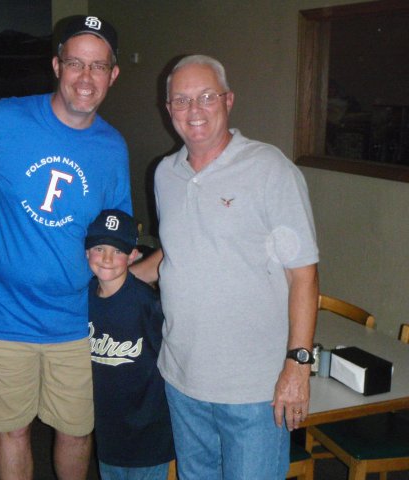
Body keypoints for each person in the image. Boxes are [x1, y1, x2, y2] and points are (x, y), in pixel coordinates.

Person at [132, 55, 319, 479]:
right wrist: (117, 278)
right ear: (168, 109)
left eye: (206, 97)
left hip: (253, 389)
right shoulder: (164, 174)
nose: (193, 110)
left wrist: (297, 365)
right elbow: (176, 250)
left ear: (228, 100)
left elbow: (303, 274)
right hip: (182, 379)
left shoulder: (269, 169)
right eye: (181, 100)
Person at [0, 15, 131, 480]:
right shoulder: (1, 119)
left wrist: (117, 256)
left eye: (98, 66)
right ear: (57, 66)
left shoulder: (113, 147)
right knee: (11, 432)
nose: (85, 77)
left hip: (76, 320)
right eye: (75, 63)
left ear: (113, 74)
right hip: (4, 316)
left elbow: (116, 228)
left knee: (76, 433)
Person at [85, 209, 174, 480]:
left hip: (148, 432)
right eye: (99, 248)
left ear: (133, 255)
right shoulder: (84, 299)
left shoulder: (148, 304)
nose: (107, 258)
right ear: (86, 252)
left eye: (118, 250)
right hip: (108, 432)